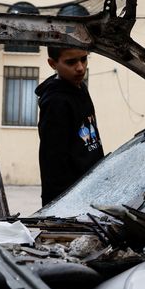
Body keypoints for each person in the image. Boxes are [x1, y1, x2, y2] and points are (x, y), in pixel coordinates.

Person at [36, 46, 104, 205]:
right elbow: (53, 161)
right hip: (70, 200)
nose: (80, 67)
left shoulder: (80, 88)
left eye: (84, 59)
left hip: (91, 188)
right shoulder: (56, 102)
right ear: (52, 64)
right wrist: (60, 206)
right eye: (71, 62)